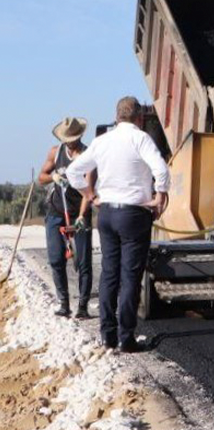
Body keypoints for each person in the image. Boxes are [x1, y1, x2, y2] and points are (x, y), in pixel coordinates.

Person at [66, 97, 170, 353]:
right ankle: (126, 338)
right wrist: (160, 197)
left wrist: (90, 196)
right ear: (140, 118)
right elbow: (162, 170)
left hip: (107, 215)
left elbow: (72, 173)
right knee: (130, 277)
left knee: (109, 275)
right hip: (134, 215)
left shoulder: (102, 142)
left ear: (116, 117)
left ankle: (107, 335)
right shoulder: (141, 138)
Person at [38, 117, 95, 319]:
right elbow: (41, 177)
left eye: (73, 138)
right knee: (55, 258)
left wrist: (81, 216)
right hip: (56, 211)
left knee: (83, 262)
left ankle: (82, 306)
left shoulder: (88, 156)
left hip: (78, 211)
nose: (70, 142)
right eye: (67, 138)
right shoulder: (56, 152)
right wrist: (52, 177)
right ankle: (63, 303)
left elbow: (88, 191)